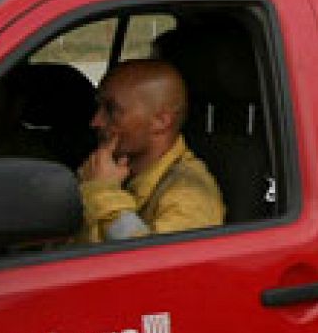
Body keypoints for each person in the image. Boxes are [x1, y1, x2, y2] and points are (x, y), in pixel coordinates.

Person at [77, 59, 225, 242]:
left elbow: (156, 258)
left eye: (111, 110)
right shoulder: (116, 173)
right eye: (99, 108)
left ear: (161, 122)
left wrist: (103, 193)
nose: (96, 121)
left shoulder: (190, 197)